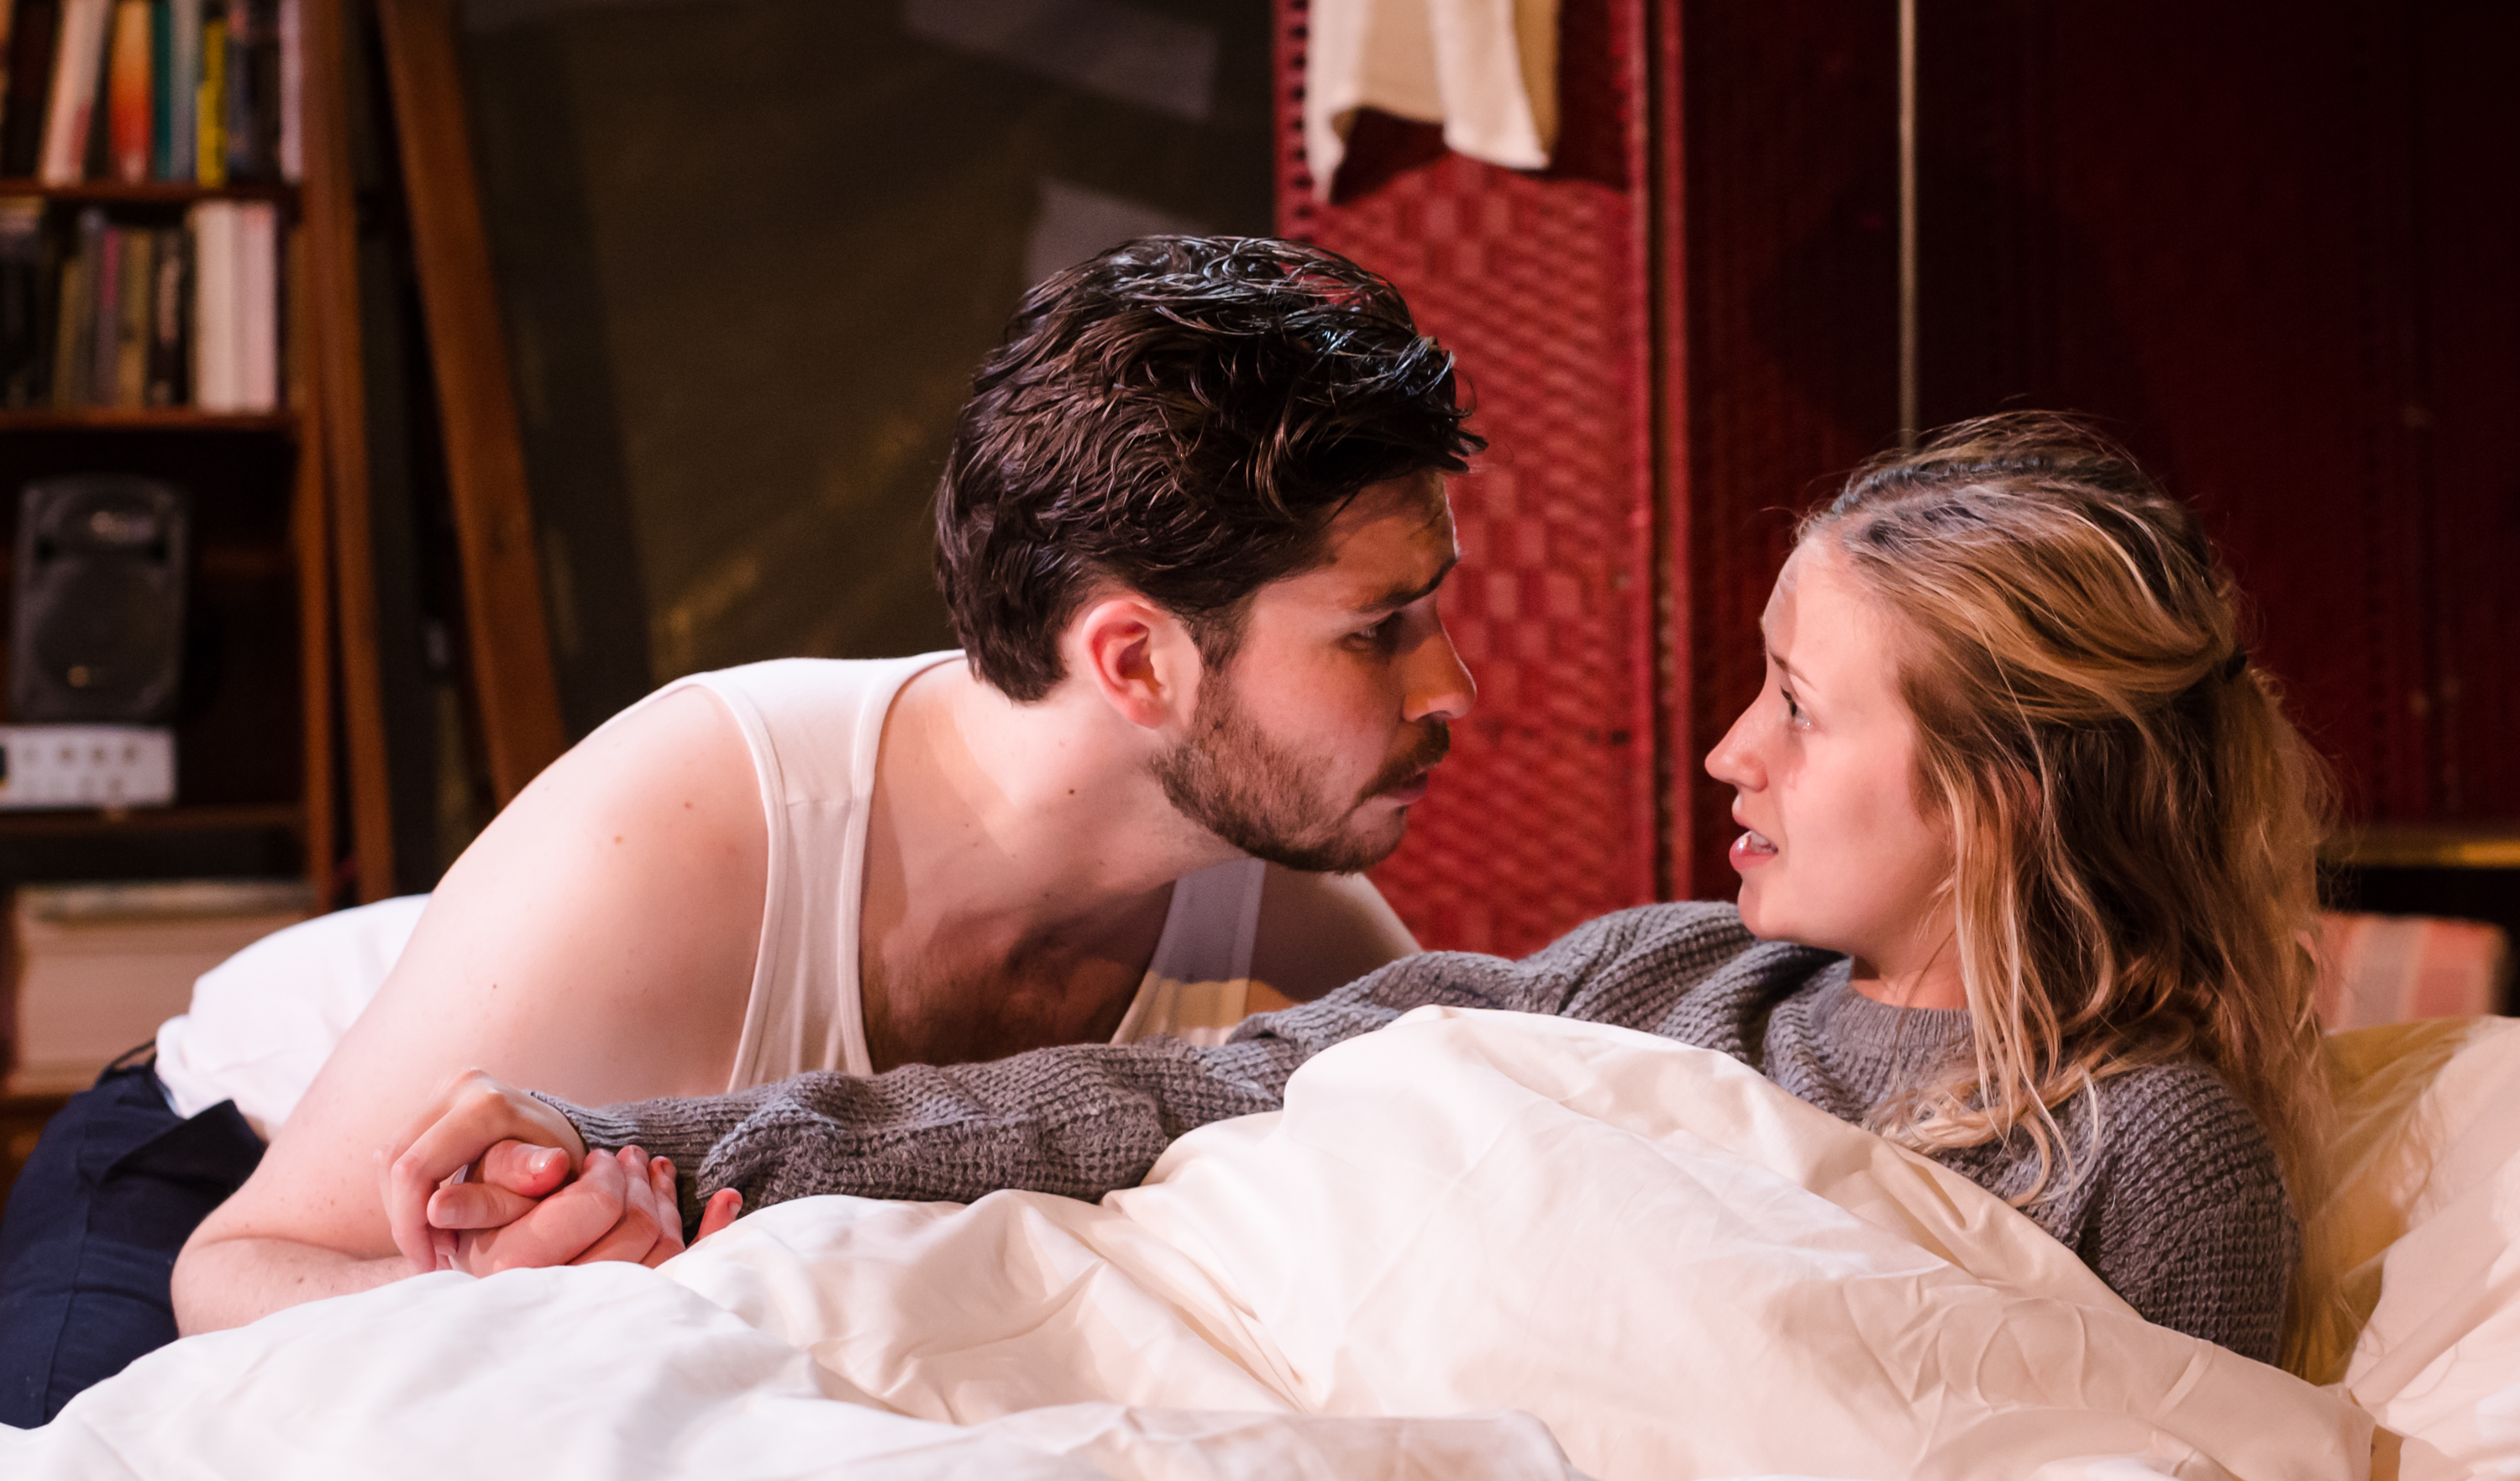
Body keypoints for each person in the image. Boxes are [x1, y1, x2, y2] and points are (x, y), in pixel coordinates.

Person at [386, 412, 2334, 1367]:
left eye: (1802, 711)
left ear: (2004, 790)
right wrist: (642, 1145)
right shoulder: (1661, 977)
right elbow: (1189, 1093)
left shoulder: (2148, 1158)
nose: (1728, 753)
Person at [0, 234, 1490, 1399]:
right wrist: (488, 1295)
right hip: (233, 1172)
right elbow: (234, 1274)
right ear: (1137, 662)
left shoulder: (1284, 909)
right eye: (1380, 630)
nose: (1454, 688)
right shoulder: (691, 822)